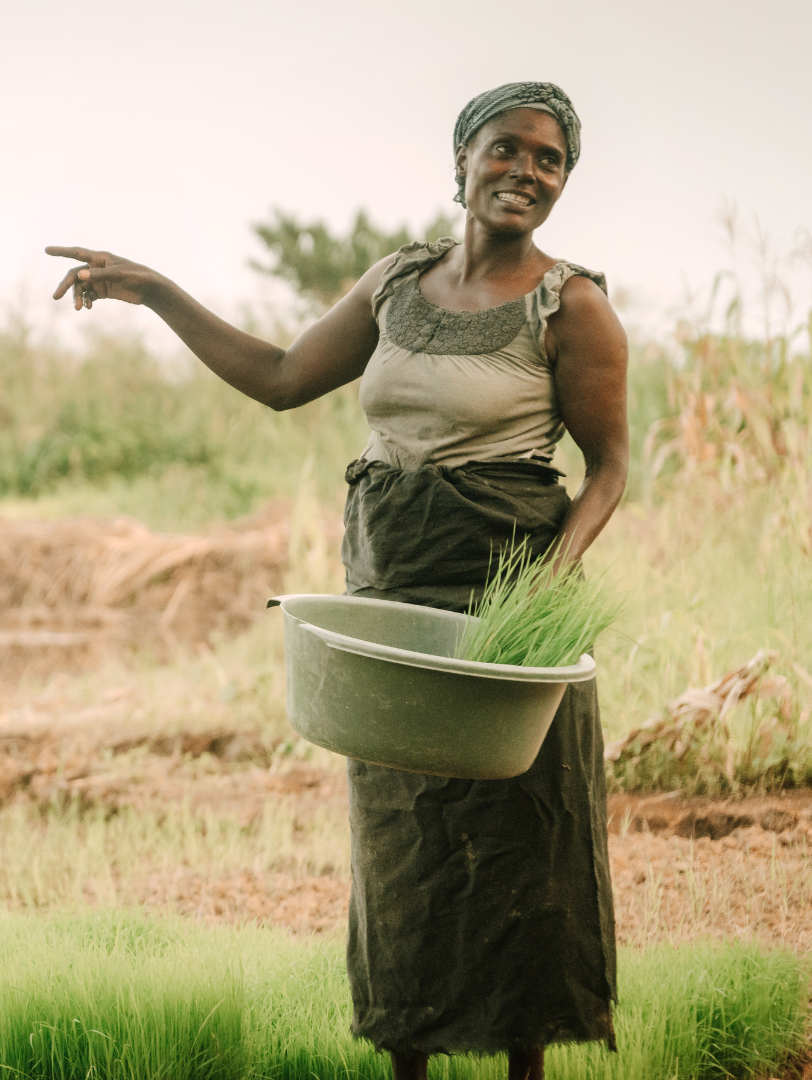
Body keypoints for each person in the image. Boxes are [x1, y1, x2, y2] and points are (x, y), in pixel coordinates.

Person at [48, 81, 628, 1080]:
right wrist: (158, 293)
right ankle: (406, 1060)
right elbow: (280, 379)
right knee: (402, 827)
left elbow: (610, 462)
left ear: (561, 182)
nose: (525, 172)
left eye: (549, 160)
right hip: (391, 569)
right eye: (506, 149)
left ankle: (523, 1069)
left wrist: (544, 590)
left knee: (517, 832)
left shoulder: (568, 304)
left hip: (502, 583)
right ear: (460, 160)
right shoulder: (395, 283)